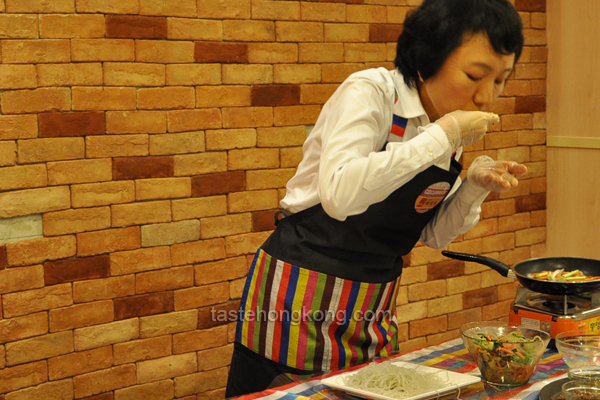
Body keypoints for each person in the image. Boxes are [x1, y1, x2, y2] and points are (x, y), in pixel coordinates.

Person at [225, 0, 527, 396]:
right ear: (426, 58)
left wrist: (472, 185)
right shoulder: (371, 93)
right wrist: (443, 134)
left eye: (502, 80)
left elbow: (432, 235)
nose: (487, 97)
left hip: (373, 304)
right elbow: (339, 194)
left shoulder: (449, 124)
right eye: (474, 75)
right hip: (300, 295)